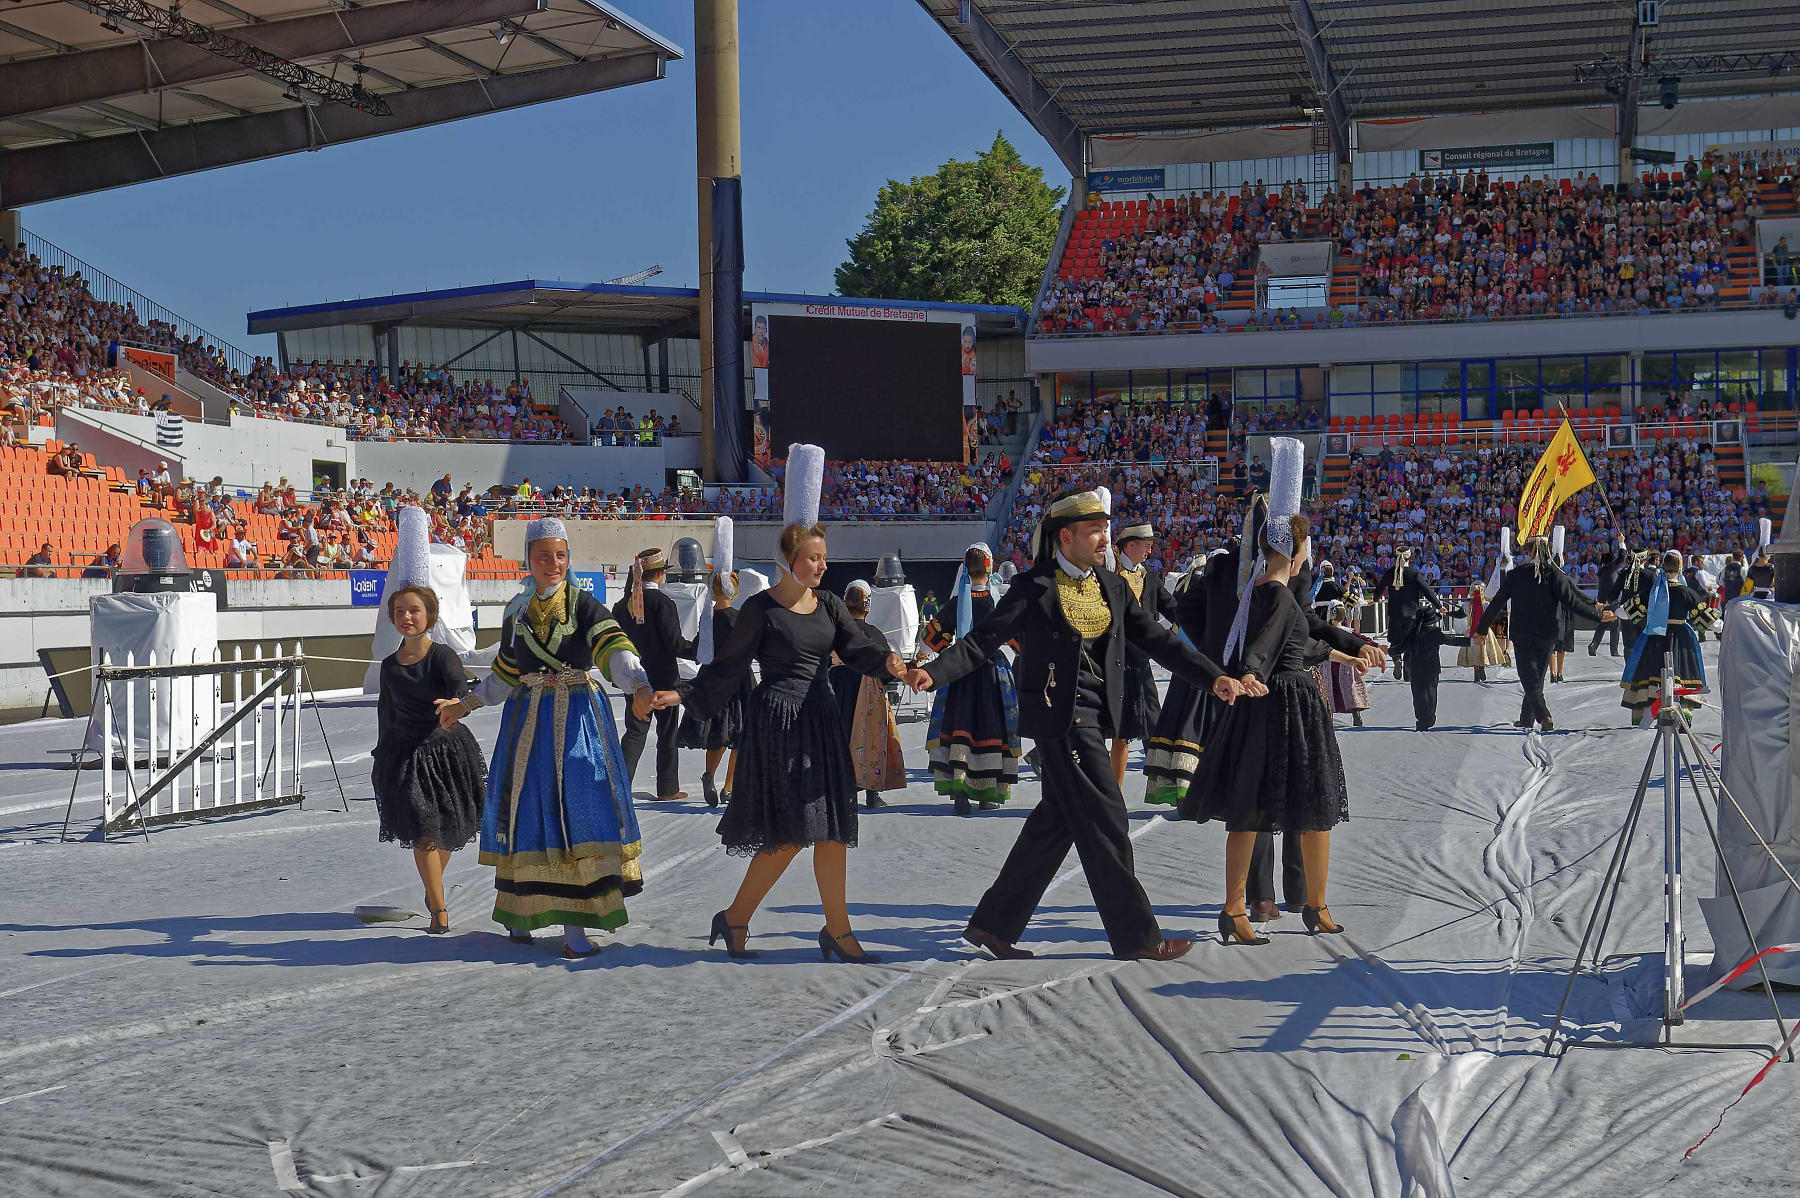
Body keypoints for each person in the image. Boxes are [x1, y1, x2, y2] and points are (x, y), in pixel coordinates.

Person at [907, 487, 1245, 963]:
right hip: (1059, 720)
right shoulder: (1033, 587)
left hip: (1095, 714)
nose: (1105, 537)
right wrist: (934, 670)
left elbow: (1159, 640)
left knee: (1055, 823)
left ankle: (993, 925)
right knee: (1108, 818)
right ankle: (1138, 937)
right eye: (1095, 530)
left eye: (1106, 528)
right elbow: (983, 640)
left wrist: (1214, 678)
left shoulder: (1111, 586)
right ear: (1066, 536)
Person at [660, 519, 909, 963]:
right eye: (813, 558)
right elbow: (728, 665)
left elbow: (856, 649)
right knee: (793, 833)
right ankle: (737, 917)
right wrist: (683, 693)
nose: (822, 565)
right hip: (778, 723)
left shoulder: (830, 604)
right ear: (789, 561)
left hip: (822, 720)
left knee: (832, 830)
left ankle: (836, 929)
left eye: (823, 557)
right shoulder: (760, 609)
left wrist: (887, 660)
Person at [435, 517, 656, 960]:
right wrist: (464, 706)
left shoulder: (586, 605)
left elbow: (614, 650)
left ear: (568, 559)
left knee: (578, 811)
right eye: (542, 555)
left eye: (559, 555)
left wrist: (640, 686)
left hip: (578, 719)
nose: (551, 563)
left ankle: (575, 924)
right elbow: (504, 674)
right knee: (529, 813)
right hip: (527, 724)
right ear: (528, 561)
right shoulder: (515, 613)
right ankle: (522, 912)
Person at [1183, 510, 1366, 946]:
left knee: (1249, 810)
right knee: (1316, 806)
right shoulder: (1281, 596)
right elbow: (1267, 645)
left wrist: (1347, 655)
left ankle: (1236, 908)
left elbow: (1296, 643)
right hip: (1288, 705)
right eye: (1306, 546)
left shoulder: (1256, 590)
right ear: (1294, 550)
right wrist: (1251, 671)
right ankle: (1314, 905)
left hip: (1261, 705)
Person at [372, 585, 488, 935]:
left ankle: (431, 888)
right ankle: (439, 910)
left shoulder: (442, 656)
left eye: (414, 611)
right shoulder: (390, 665)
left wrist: (456, 703)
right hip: (406, 755)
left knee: (448, 832)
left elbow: (460, 690)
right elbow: (386, 711)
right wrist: (381, 757)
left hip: (447, 752)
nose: (406, 617)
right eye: (400, 612)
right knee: (424, 833)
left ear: (430, 617)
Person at [918, 543, 1020, 815]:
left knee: (960, 727)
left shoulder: (957, 602)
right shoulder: (998, 602)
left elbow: (934, 638)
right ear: (989, 568)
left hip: (960, 672)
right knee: (990, 728)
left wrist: (926, 653)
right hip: (992, 672)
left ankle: (960, 792)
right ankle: (987, 794)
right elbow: (1017, 639)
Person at [1475, 536, 1614, 733]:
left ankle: (1543, 715)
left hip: (1522, 631)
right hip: (1547, 632)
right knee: (1536, 676)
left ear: (1529, 552)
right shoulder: (1554, 575)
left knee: (1529, 676)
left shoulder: (1516, 575)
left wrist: (1481, 629)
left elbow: (1496, 603)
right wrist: (1598, 616)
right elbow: (1573, 603)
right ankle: (1526, 718)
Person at [613, 546, 696, 802]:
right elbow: (675, 644)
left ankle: (619, 787)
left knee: (635, 732)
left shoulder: (621, 606)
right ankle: (667, 789)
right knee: (667, 735)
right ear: (660, 574)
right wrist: (701, 649)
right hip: (663, 679)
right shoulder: (663, 603)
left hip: (634, 679)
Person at [676, 570, 750, 808]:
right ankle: (729, 787)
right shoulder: (739, 618)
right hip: (739, 680)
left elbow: (699, 650)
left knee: (718, 733)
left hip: (712, 678)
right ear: (734, 590)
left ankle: (709, 774)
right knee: (740, 736)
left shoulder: (707, 618)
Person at [831, 580, 907, 810]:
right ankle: (872, 793)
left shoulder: (836, 633)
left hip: (838, 691)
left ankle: (844, 791)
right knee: (872, 738)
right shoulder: (874, 634)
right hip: (869, 694)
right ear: (868, 606)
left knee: (841, 738)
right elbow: (887, 669)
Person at [1620, 550, 1717, 725]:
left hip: (1656, 637)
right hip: (1681, 637)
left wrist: (1612, 613)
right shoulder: (1686, 592)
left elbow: (1629, 610)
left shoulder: (1653, 592)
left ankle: (1649, 712)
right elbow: (1707, 618)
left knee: (1653, 675)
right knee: (1681, 674)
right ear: (1680, 568)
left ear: (1663, 567)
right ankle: (1684, 712)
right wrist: (1725, 626)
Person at [1108, 522, 1170, 788]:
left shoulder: (1149, 579)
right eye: (1146, 545)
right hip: (1112, 662)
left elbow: (1175, 609)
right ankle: (1110, 795)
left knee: (1154, 723)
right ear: (1129, 544)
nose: (1150, 550)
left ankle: (1165, 785)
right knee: (1114, 731)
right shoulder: (1108, 575)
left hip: (1140, 662)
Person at [1318, 602, 1370, 727]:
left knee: (1329, 688)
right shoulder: (1349, 632)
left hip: (1329, 663)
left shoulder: (1325, 631)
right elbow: (1364, 641)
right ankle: (1355, 712)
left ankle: (1328, 716)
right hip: (1346, 664)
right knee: (1349, 688)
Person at [1458, 581, 1509, 683]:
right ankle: (1481, 668)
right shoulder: (1486, 604)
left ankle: (1477, 670)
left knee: (1475, 651)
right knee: (1482, 651)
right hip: (1485, 632)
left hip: (1471, 632)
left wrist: (1448, 613)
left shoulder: (1468, 605)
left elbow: (1459, 614)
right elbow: (1497, 613)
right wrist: (1507, 613)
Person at [1588, 544, 1627, 657]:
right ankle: (1614, 651)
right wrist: (1621, 543)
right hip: (1612, 601)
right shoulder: (1612, 568)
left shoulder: (1601, 571)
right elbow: (1622, 557)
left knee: (1603, 624)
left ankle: (1594, 644)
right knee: (1615, 625)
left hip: (1601, 601)